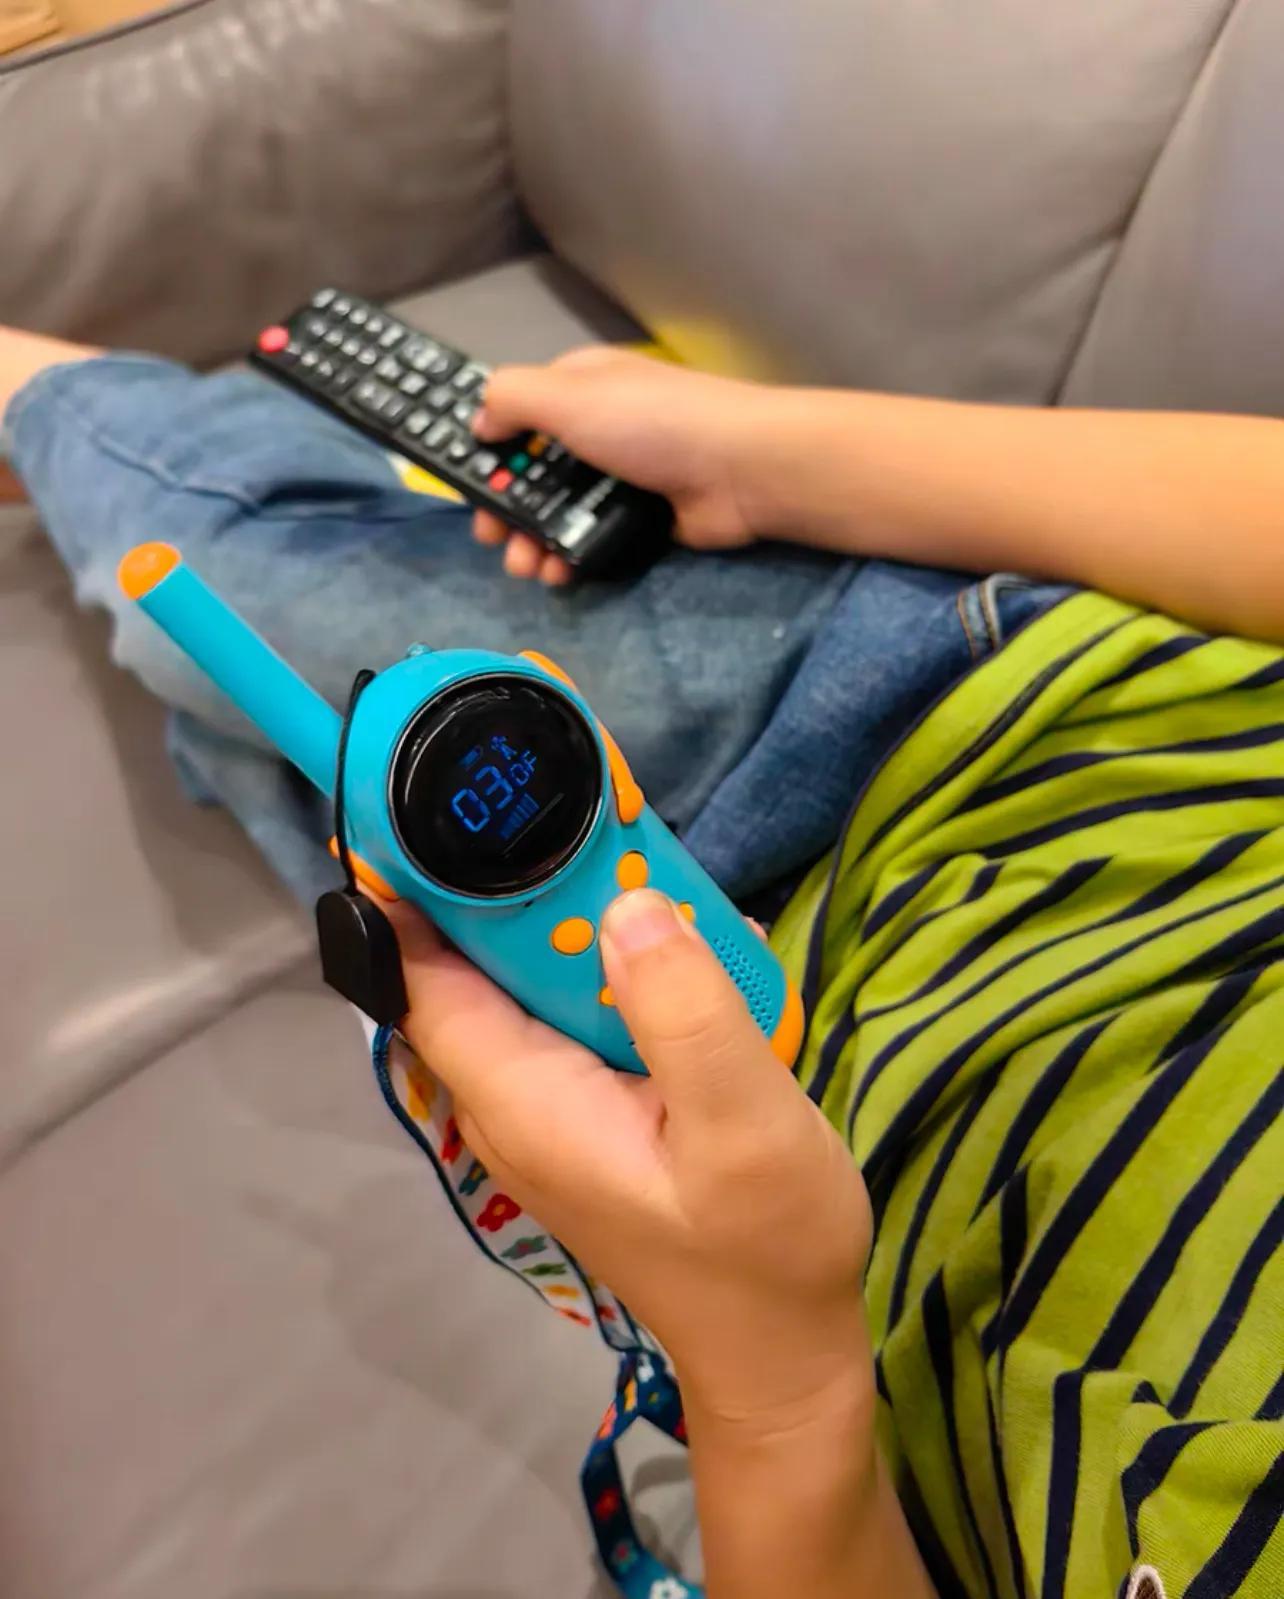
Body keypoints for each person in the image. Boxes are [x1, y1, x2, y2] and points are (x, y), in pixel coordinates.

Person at [2, 325, 1282, 1599]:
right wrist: (753, 454)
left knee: (253, 728)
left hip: (744, 1131)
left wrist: (775, 1380)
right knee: (193, 589)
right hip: (986, 714)